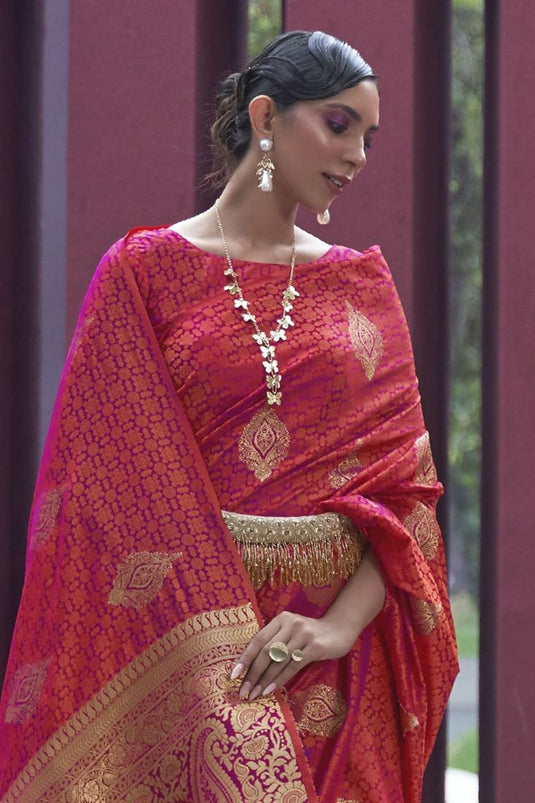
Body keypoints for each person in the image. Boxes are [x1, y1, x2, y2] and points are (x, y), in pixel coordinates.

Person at [0, 30, 458, 803]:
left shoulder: (360, 287)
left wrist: (338, 627)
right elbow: (101, 490)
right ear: (267, 116)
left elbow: (406, 500)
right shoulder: (142, 274)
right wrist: (208, 657)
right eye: (338, 125)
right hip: (181, 642)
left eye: (369, 138)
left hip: (330, 664)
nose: (356, 157)